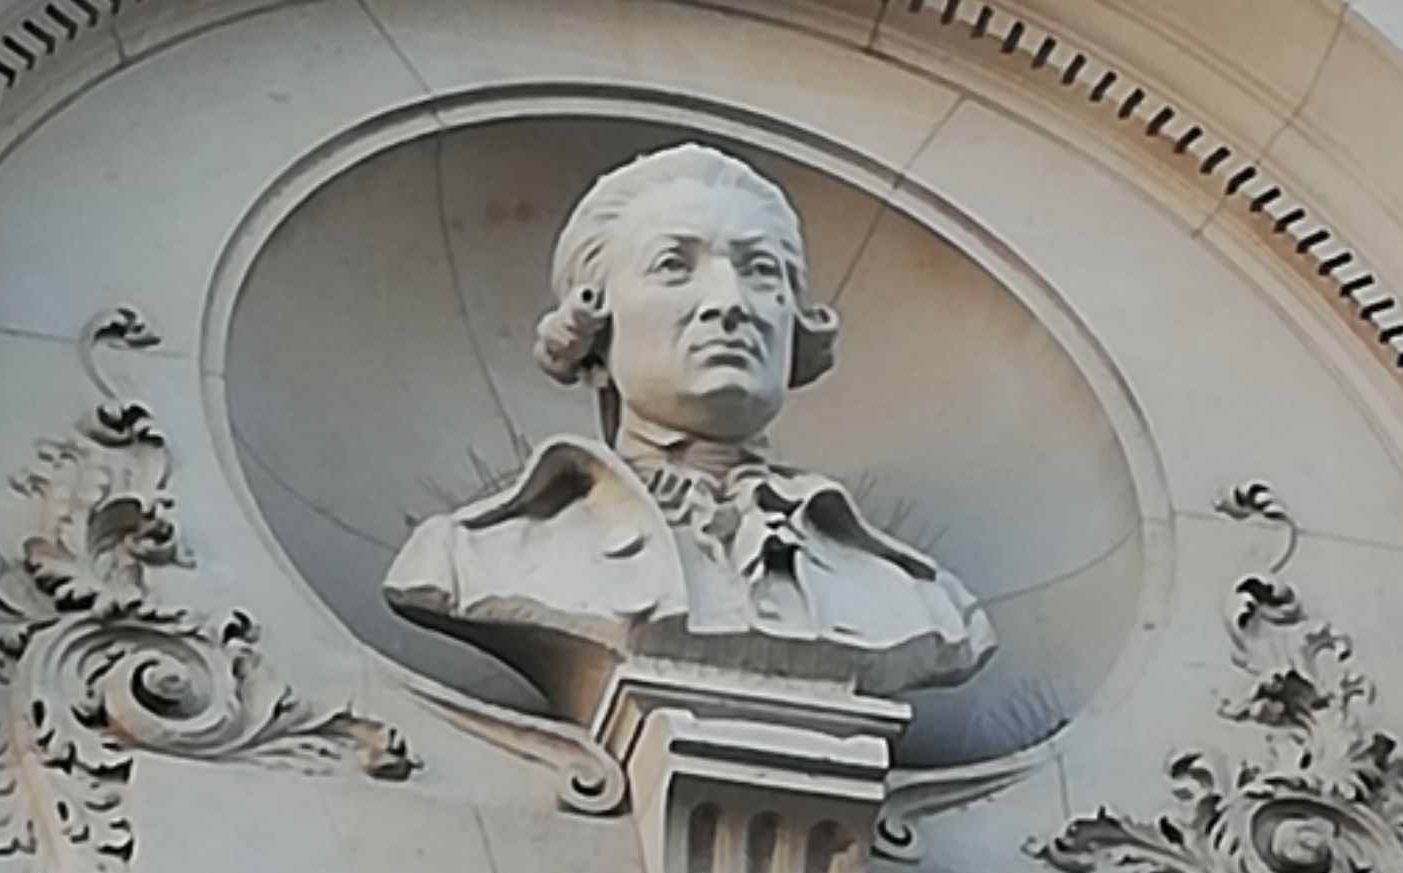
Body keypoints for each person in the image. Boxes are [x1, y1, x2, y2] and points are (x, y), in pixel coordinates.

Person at [385, 144, 993, 719]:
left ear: (795, 319)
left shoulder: (920, 601)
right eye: (674, 266)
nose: (729, 302)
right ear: (595, 319)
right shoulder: (471, 557)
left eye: (760, 272)